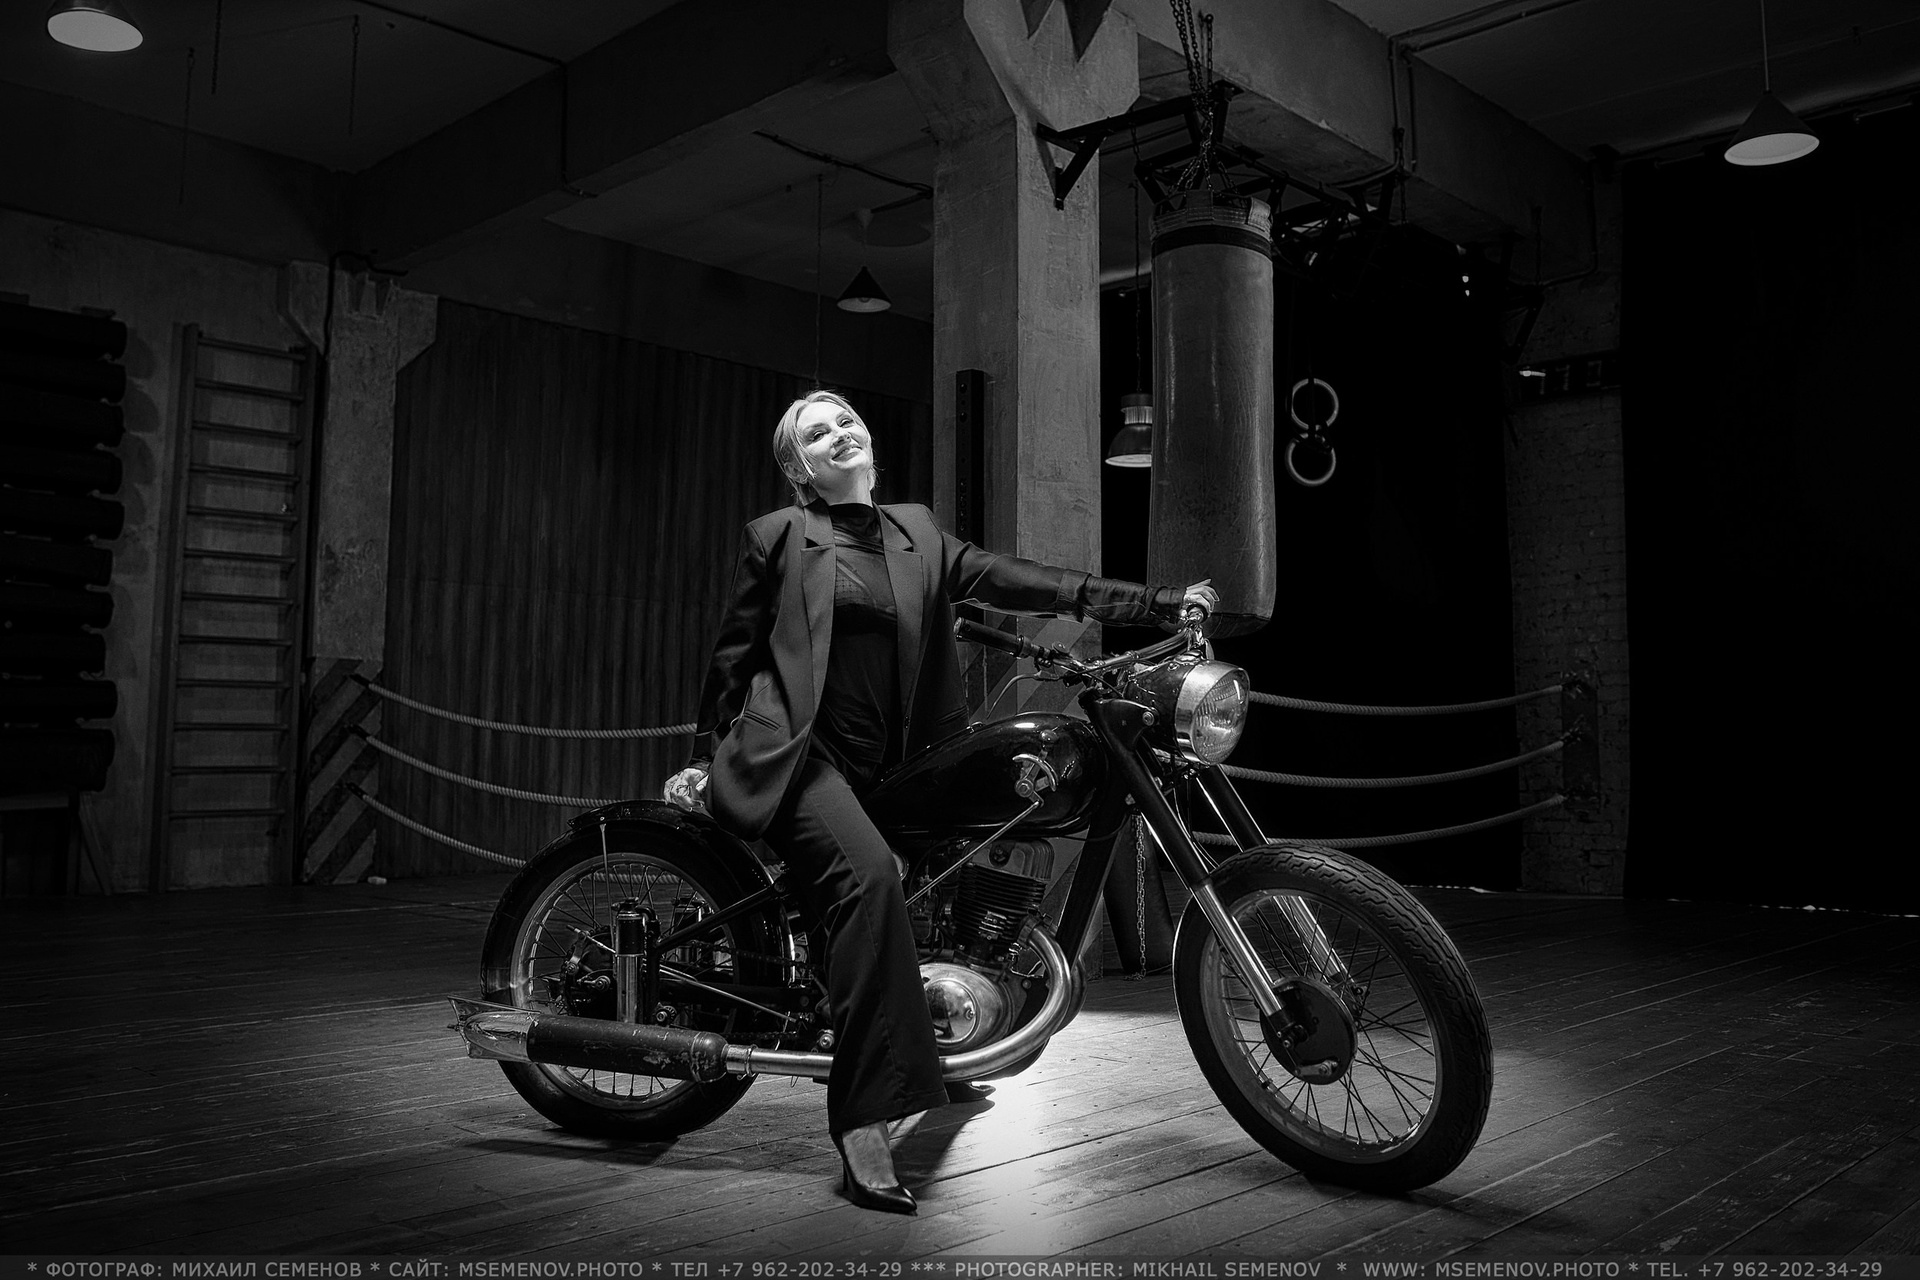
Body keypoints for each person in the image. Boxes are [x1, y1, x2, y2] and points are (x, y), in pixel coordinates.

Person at [663, 389, 1215, 1214]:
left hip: (899, 766)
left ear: (868, 440)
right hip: (802, 759)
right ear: (798, 470)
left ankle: (931, 1038)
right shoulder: (778, 536)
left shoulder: (917, 533)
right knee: (870, 882)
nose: (838, 432)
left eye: (845, 419)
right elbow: (733, 656)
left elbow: (1019, 579)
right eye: (816, 432)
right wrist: (703, 758)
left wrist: (1151, 602)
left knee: (945, 875)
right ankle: (863, 1122)